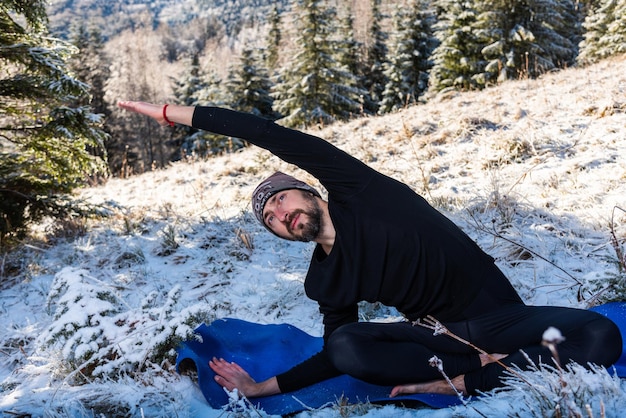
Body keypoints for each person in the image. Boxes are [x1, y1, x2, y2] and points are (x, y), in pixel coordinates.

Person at [118, 101, 622, 399]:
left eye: (281, 200)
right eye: (270, 220)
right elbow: (336, 354)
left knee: (601, 333)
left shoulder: (360, 190)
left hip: (501, 318)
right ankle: (478, 372)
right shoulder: (324, 278)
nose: (280, 215)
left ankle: (467, 382)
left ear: (308, 190)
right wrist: (258, 388)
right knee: (345, 344)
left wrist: (171, 113)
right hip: (438, 342)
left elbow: (266, 134)